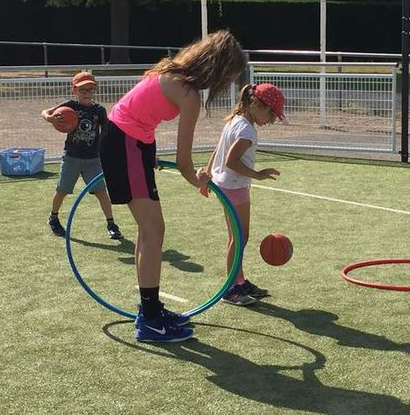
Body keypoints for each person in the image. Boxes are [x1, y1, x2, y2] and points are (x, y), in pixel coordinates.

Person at [99, 30, 247, 343]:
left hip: (132, 142)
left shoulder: (168, 69)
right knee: (154, 231)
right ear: (217, 69)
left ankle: (150, 310)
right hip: (126, 143)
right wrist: (200, 181)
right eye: (228, 76)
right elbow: (183, 161)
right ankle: (150, 320)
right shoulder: (188, 94)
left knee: (149, 230)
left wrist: (148, 155)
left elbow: (139, 111)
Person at [199, 82, 286, 306]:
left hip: (229, 185)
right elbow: (230, 160)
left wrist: (209, 174)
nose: (271, 121)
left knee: (238, 236)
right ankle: (230, 289)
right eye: (271, 114)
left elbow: (219, 149)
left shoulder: (237, 121)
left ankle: (239, 281)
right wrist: (257, 175)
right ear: (257, 105)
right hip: (233, 187)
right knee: (239, 237)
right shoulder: (246, 130)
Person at [42, 70, 123, 241]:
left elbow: (106, 132)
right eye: (82, 90)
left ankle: (111, 224)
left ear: (95, 91)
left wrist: (110, 150)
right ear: (74, 91)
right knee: (62, 190)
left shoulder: (99, 110)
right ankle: (53, 218)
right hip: (71, 157)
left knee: (101, 192)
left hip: (93, 160)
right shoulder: (70, 106)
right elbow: (45, 112)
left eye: (90, 89)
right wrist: (51, 119)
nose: (86, 93)